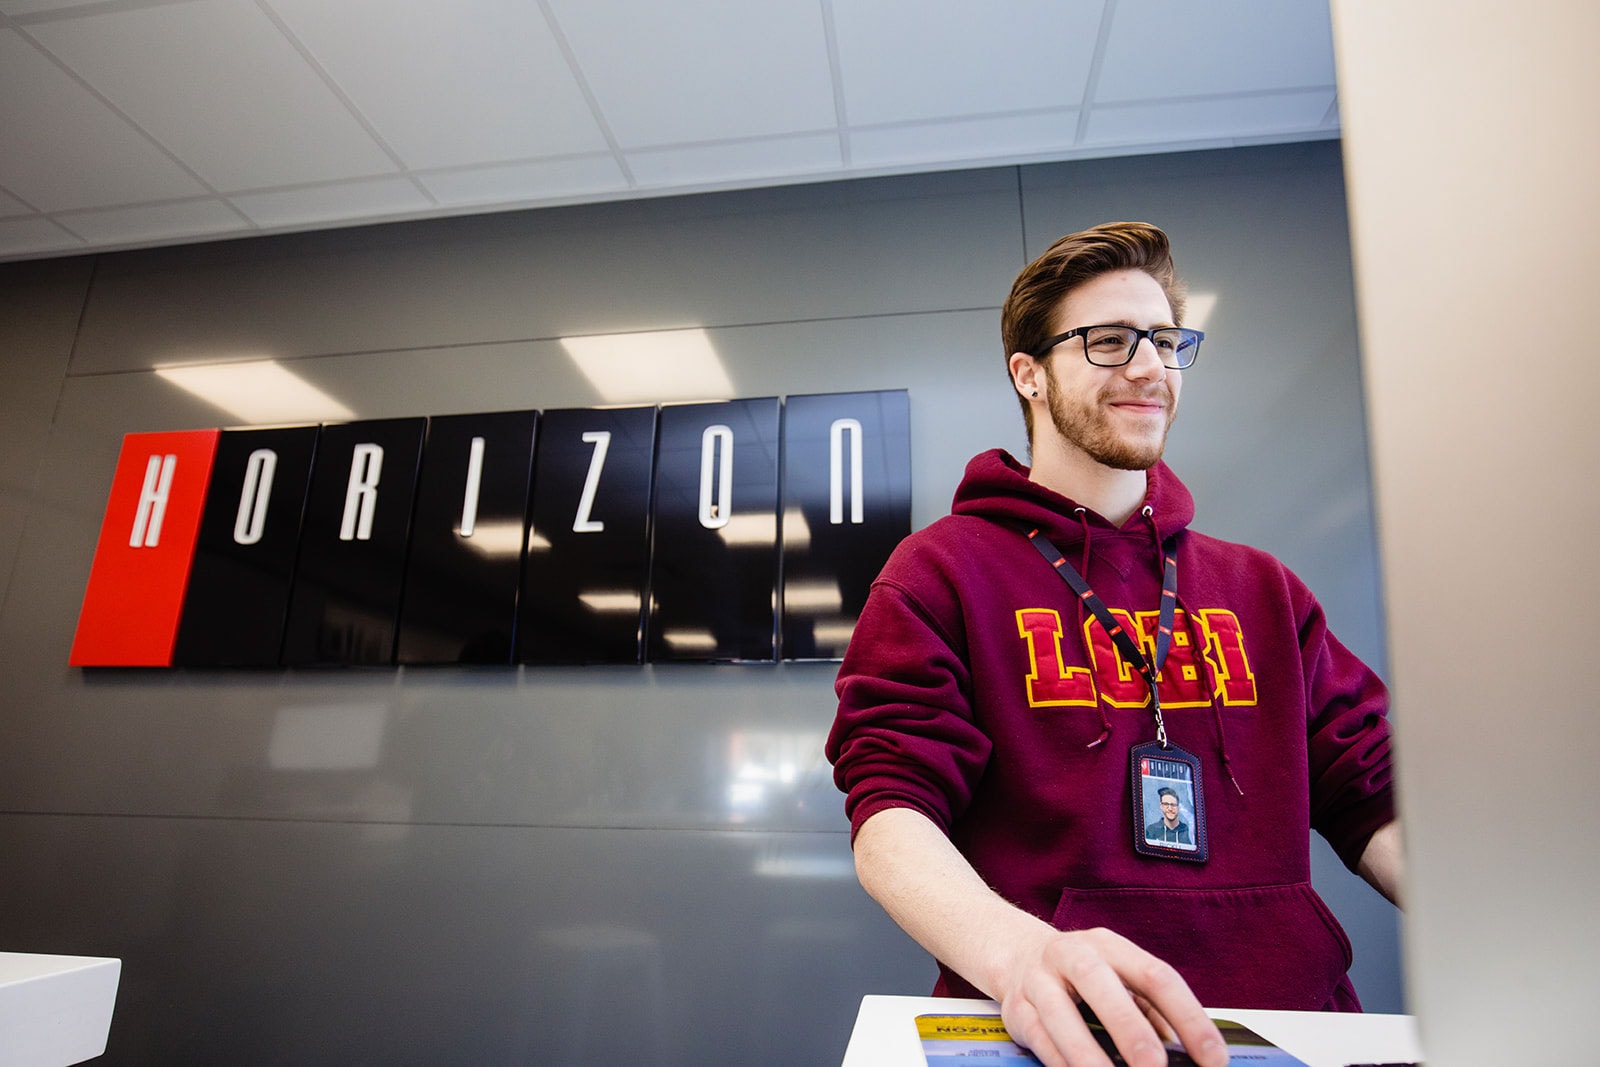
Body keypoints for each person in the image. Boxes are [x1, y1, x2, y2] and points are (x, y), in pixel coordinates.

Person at [825, 221, 1403, 1067]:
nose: (1149, 367)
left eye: (1166, 341)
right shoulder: (939, 572)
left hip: (1283, 1029)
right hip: (1057, 1034)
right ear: (1029, 374)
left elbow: (1374, 793)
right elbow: (890, 813)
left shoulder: (1264, 590)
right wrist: (1020, 956)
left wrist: (1507, 938)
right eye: (1108, 341)